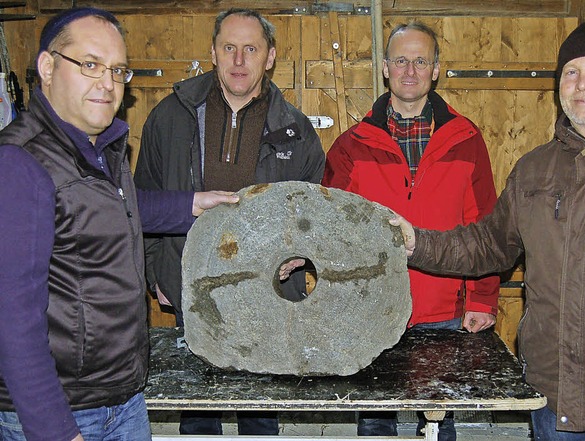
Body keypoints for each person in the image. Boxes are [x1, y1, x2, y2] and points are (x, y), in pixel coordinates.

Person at [390, 22, 585, 441]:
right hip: (553, 386)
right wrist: (417, 241)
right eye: (571, 72)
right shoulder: (535, 169)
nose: (581, 84)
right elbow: (489, 244)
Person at [0, 8, 239, 441]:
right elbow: (11, 318)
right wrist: (54, 430)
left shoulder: (97, 148)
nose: (108, 83)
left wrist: (192, 204)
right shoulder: (20, 164)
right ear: (48, 67)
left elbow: (113, 208)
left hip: (121, 399)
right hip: (65, 411)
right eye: (90, 64)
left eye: (117, 70)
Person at [133, 8, 325, 436]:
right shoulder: (170, 116)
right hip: (192, 282)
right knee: (200, 409)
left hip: (269, 292)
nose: (239, 61)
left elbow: (313, 218)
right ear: (214, 53)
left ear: (270, 56)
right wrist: (154, 274)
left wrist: (296, 259)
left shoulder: (296, 130)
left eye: (251, 49)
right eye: (229, 48)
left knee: (260, 409)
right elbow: (140, 200)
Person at [321, 21, 499, 439]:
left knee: (439, 423)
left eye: (421, 61)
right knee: (375, 421)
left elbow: (486, 231)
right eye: (401, 60)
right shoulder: (351, 146)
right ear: (385, 67)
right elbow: (329, 235)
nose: (410, 71)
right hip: (372, 310)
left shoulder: (466, 139)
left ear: (436, 69)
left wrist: (483, 298)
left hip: (444, 311)